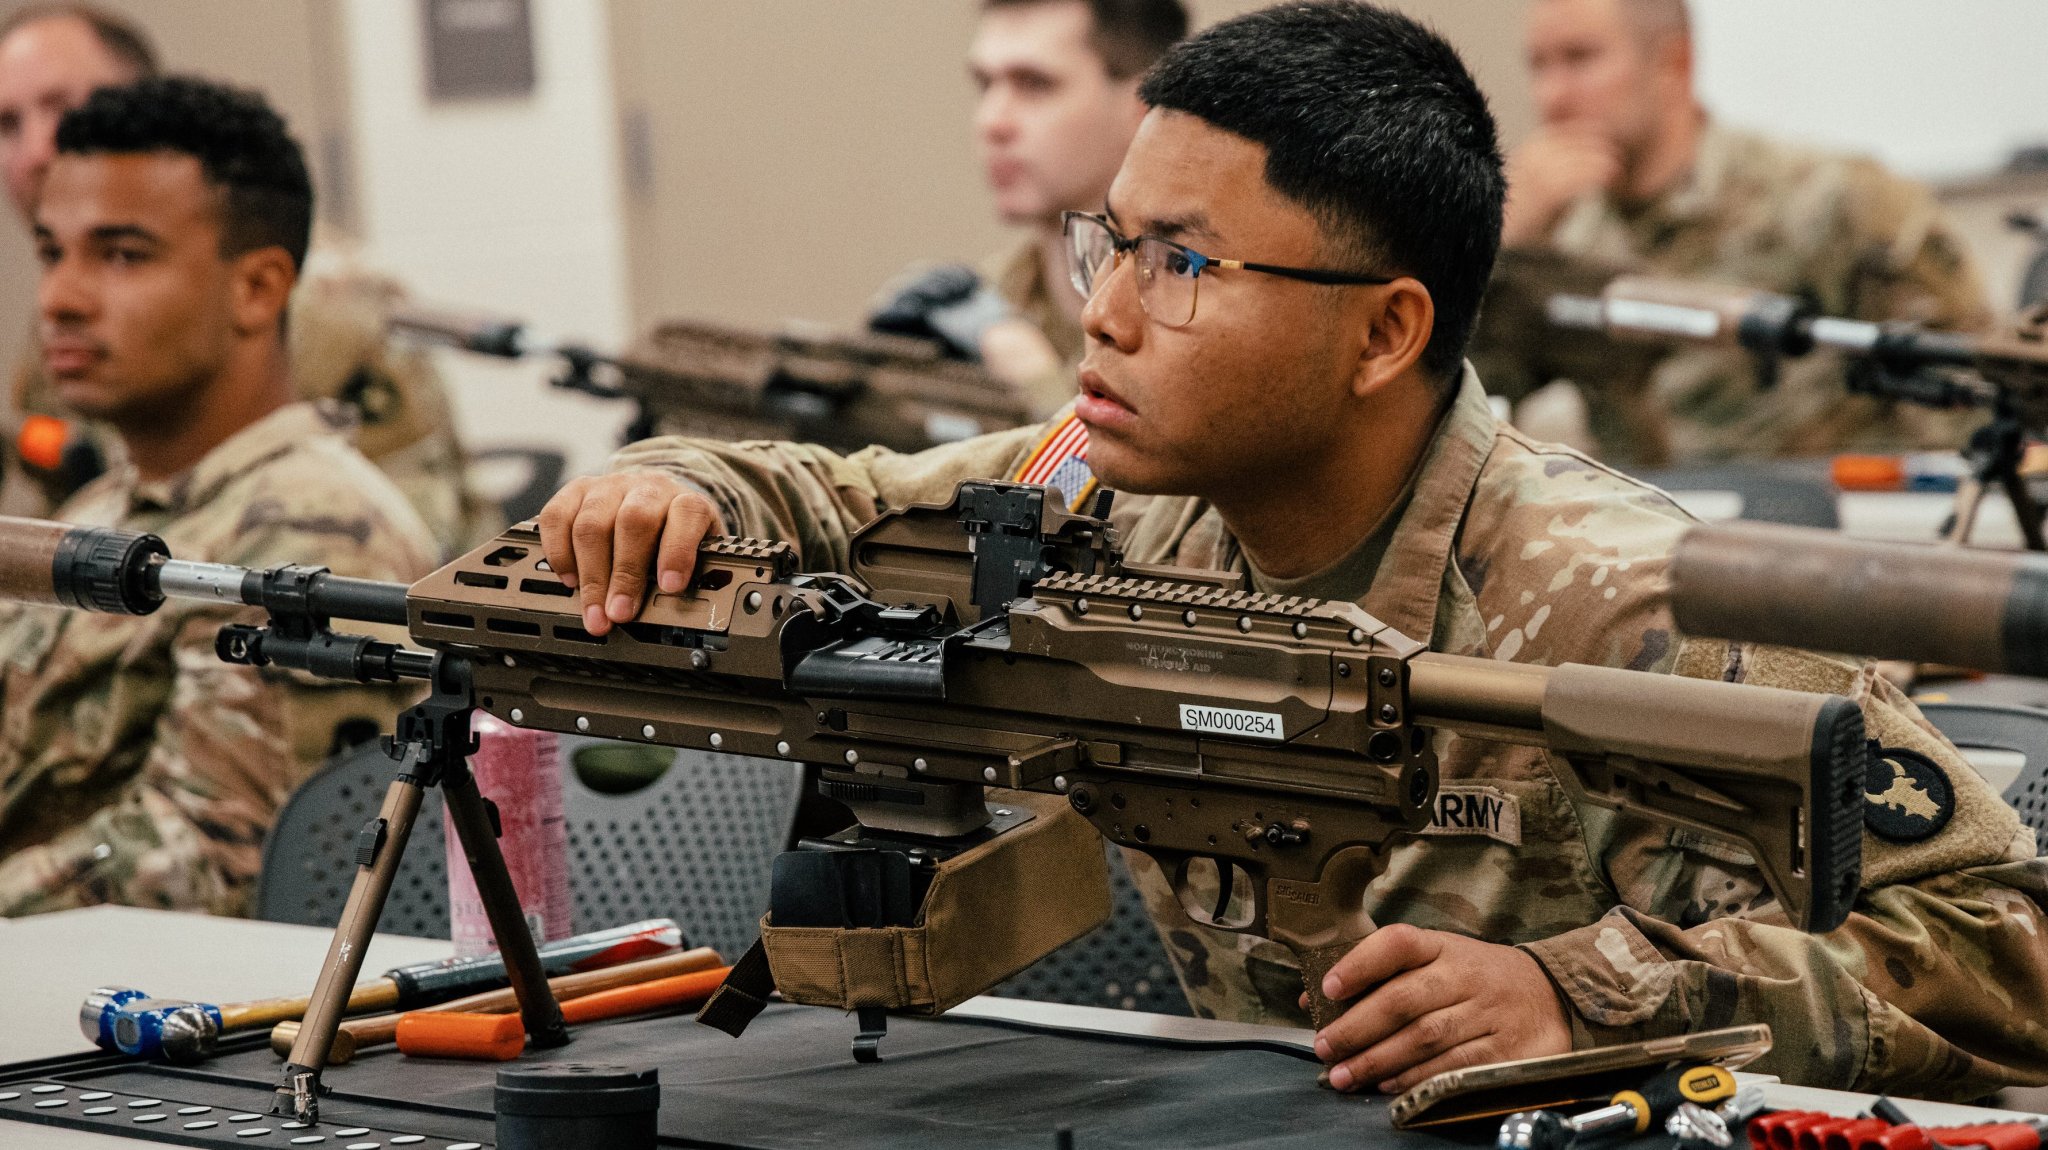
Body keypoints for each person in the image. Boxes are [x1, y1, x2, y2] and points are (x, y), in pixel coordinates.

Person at [534, 1, 2048, 1101]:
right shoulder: (1090, 489)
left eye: (1183, 264)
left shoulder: (1632, 595)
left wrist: (1584, 992)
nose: (1104, 312)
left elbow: (2009, 946)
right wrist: (666, 486)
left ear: (1386, 330)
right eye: (1106, 243)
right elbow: (813, 492)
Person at [0, 77, 439, 916]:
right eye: (53, 253)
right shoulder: (107, 505)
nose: (59, 299)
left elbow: (218, 867)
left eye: (122, 255)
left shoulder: (312, 531)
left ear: (259, 288)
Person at [0, 2, 489, 554]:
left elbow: (395, 541)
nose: (37, 152)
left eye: (66, 110)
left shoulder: (328, 303)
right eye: (8, 125)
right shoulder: (65, 310)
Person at [1485, 0, 1991, 468]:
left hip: (1824, 532)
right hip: (1649, 539)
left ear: (1672, 65)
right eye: (1538, 65)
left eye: (1581, 58)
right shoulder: (1555, 241)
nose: (1552, 96)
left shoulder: (1828, 200)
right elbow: (1463, 413)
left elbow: (1972, 400)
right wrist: (1494, 253)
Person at [871, 0, 1185, 417]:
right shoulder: (977, 310)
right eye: (985, 84)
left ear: (1143, 107)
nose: (992, 122)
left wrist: (1031, 380)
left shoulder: (1198, 310)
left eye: (1035, 84)